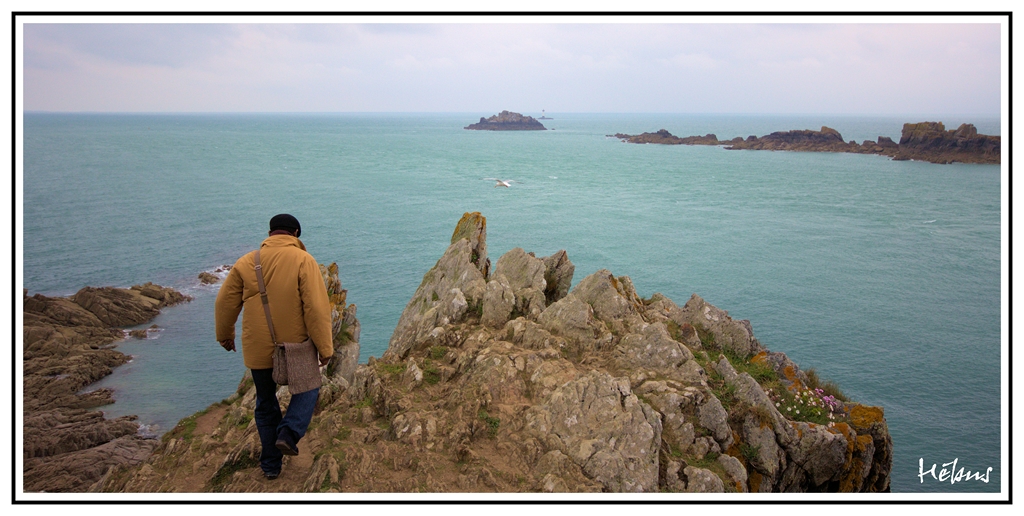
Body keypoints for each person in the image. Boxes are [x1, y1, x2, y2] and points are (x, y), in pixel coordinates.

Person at [215, 214, 334, 480]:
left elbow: (225, 303)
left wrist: (225, 335)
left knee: (265, 404)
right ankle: (289, 433)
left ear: (270, 234)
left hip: (258, 348)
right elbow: (315, 308)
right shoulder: (304, 260)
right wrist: (325, 348)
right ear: (295, 234)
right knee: (309, 388)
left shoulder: (247, 261)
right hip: (295, 347)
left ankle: (270, 465)